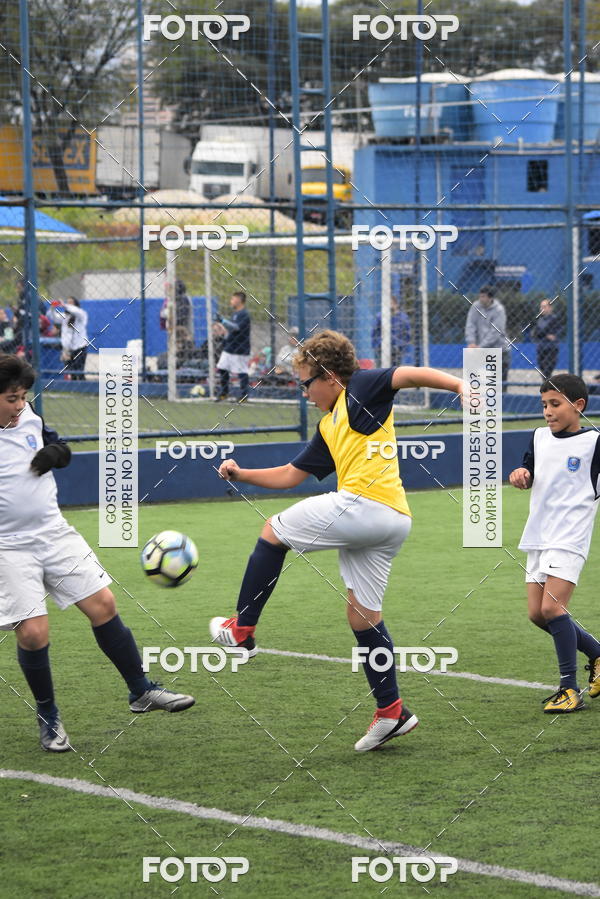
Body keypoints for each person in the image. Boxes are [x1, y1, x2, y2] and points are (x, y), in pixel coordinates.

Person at [211, 329, 463, 752]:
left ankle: (242, 629)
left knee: (272, 531)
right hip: (391, 521)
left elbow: (408, 375)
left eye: (307, 382)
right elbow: (292, 475)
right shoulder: (329, 424)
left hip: (366, 507)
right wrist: (242, 475)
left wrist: (459, 385)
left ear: (330, 376)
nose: (305, 392)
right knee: (363, 619)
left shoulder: (360, 387)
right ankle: (392, 712)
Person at [0, 355, 195, 752]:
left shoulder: (30, 418)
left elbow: (59, 447)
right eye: (11, 398)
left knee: (104, 604)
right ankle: (49, 716)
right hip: (8, 546)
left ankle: (141, 691)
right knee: (34, 634)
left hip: (55, 534)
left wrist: (57, 454)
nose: (20, 405)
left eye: (22, 397)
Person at [509, 373, 600, 713]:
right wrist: (521, 474)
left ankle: (568, 689)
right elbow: (528, 470)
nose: (548, 411)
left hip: (570, 536)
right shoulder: (538, 437)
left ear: (578, 406)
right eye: (544, 404)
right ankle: (597, 653)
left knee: (552, 608)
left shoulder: (594, 443)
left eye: (555, 404)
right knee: (537, 614)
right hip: (539, 535)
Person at [465, 285, 511, 390]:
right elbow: (470, 325)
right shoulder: (475, 307)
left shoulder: (499, 310)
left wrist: (480, 347)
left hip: (499, 349)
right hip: (480, 349)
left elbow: (495, 332)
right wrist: (471, 342)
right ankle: (474, 398)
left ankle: (502, 400)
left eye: (483, 297)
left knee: (499, 382)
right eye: (480, 296)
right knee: (472, 373)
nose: (481, 299)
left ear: (490, 298)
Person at [215, 291, 251, 401]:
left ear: (239, 300)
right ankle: (224, 392)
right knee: (222, 368)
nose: (231, 301)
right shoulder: (235, 314)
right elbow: (231, 329)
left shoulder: (244, 314)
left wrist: (223, 321)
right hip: (230, 346)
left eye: (232, 299)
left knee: (241, 371)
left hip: (240, 348)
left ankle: (244, 395)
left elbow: (236, 328)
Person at [49, 297, 89, 381]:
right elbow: (53, 317)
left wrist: (64, 305)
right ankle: (74, 389)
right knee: (71, 371)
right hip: (68, 349)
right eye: (67, 302)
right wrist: (52, 308)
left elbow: (76, 311)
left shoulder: (81, 315)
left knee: (79, 370)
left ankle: (84, 388)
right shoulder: (65, 316)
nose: (68, 304)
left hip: (80, 347)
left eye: (71, 303)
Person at [371, 297, 411, 367]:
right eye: (386, 304)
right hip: (381, 347)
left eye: (391, 304)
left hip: (397, 347)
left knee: (395, 369)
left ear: (396, 304)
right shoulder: (380, 316)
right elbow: (374, 331)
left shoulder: (403, 317)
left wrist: (403, 345)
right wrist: (376, 345)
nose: (389, 306)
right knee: (380, 368)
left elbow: (407, 333)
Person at [534, 298, 562, 380]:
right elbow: (537, 333)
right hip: (541, 348)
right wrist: (546, 334)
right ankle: (548, 387)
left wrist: (543, 333)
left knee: (547, 371)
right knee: (543, 370)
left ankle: (548, 388)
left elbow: (555, 333)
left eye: (544, 306)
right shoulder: (539, 320)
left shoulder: (555, 319)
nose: (541, 309)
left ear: (550, 308)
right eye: (541, 307)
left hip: (551, 348)